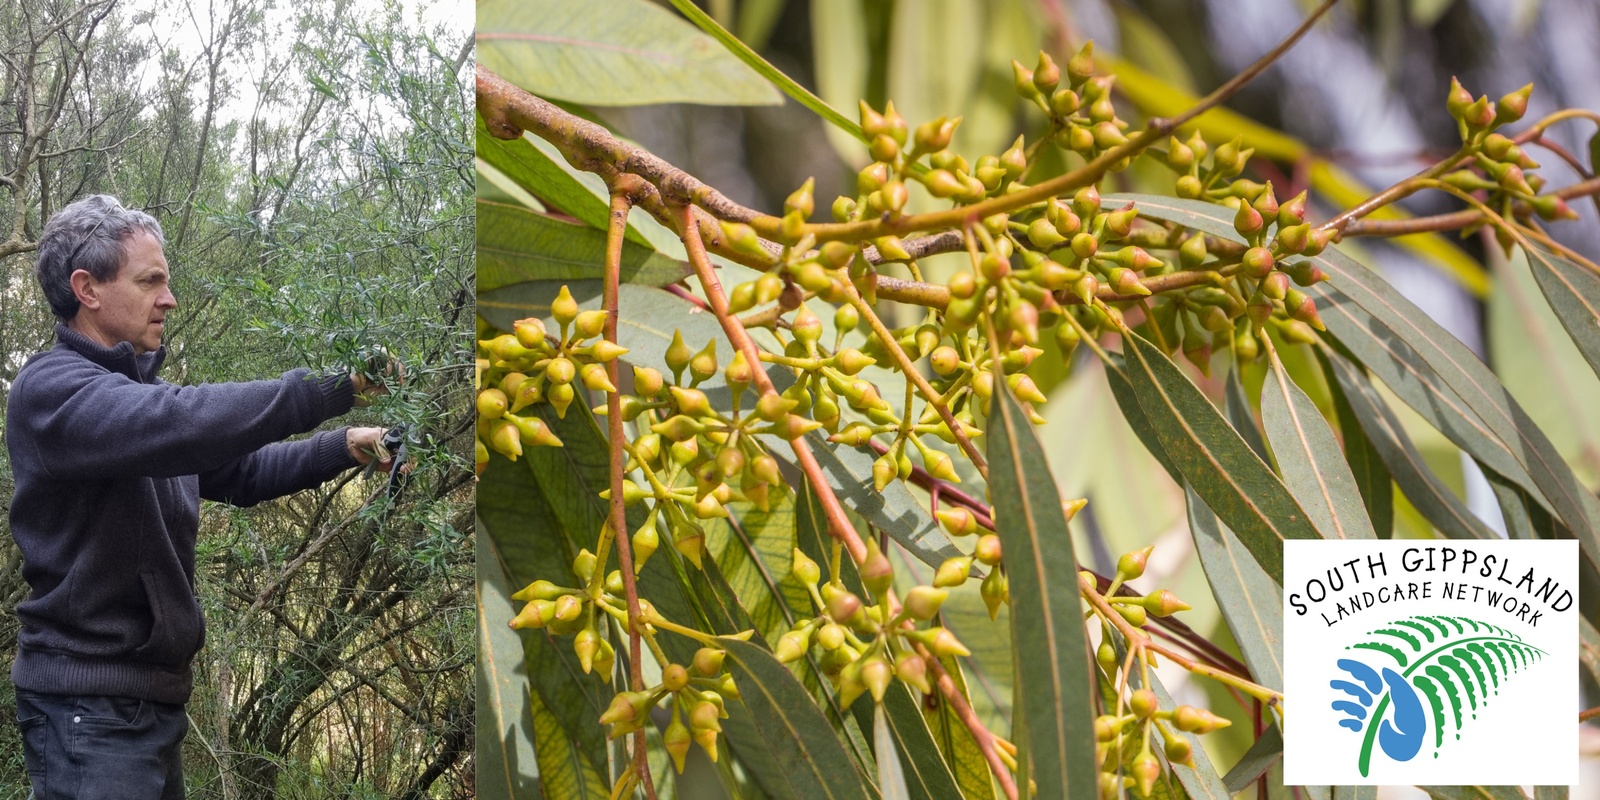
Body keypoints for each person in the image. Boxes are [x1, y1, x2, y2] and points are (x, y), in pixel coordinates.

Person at [6, 194, 397, 799]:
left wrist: (345, 444)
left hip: (145, 703)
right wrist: (330, 389)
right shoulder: (53, 392)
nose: (169, 298)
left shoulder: (136, 400)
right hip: (87, 709)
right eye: (151, 281)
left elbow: (239, 470)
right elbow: (180, 421)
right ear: (87, 288)